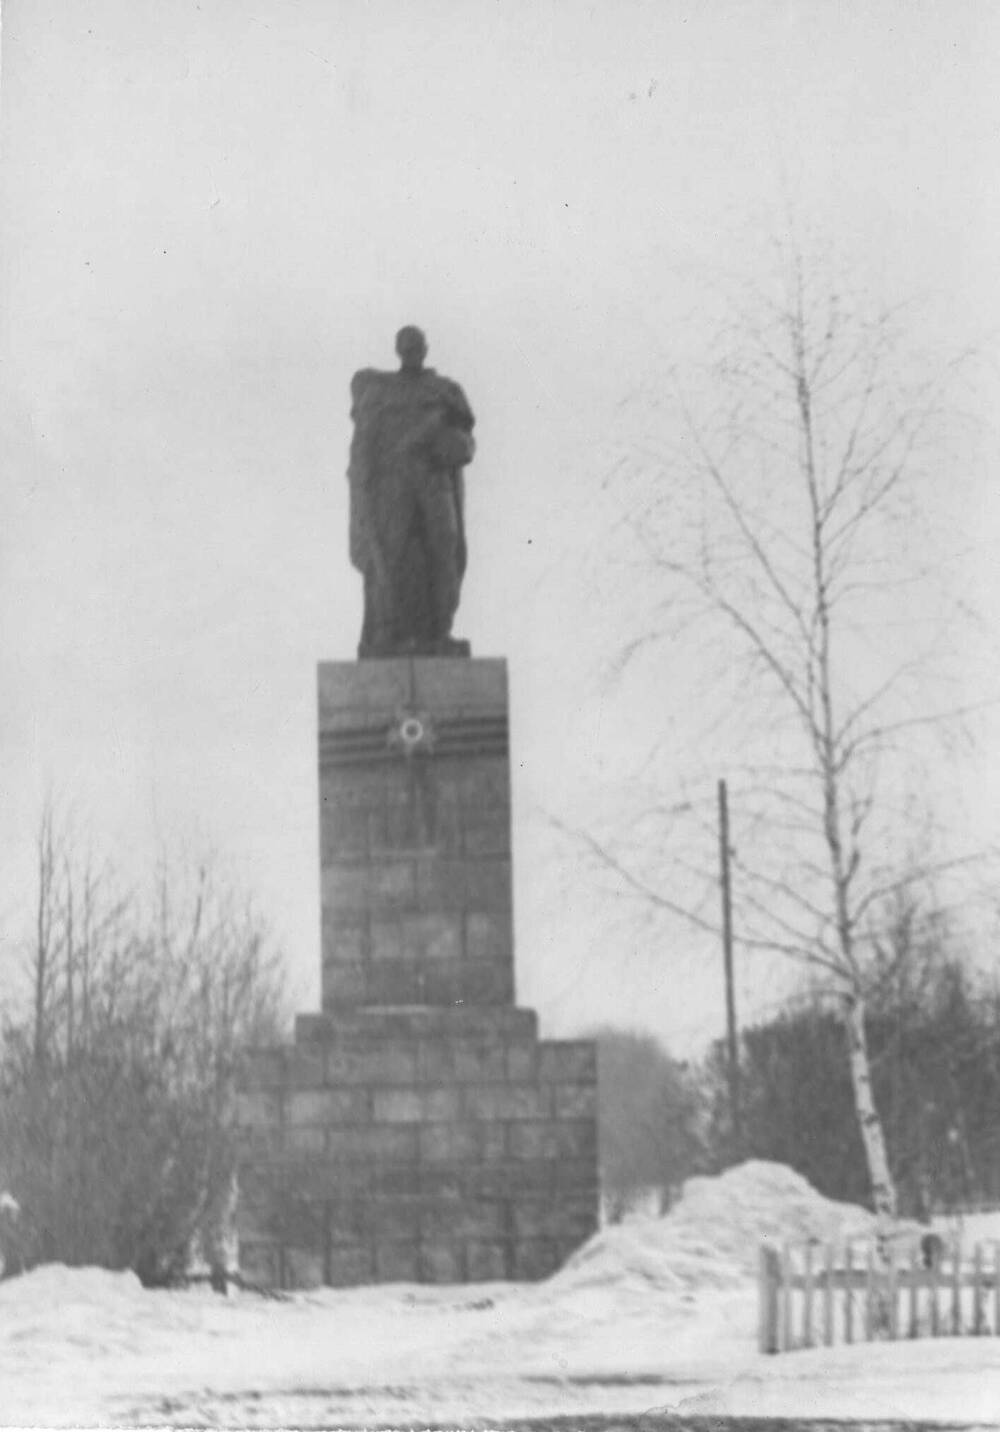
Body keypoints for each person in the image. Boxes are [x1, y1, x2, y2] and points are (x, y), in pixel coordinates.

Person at [347, 327, 476, 658]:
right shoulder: (382, 391)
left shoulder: (444, 390)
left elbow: (465, 441)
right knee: (392, 555)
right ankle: (388, 631)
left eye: (416, 346)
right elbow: (365, 444)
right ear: (398, 351)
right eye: (407, 347)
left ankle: (440, 629)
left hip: (434, 479)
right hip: (394, 484)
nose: (412, 352)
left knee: (444, 549)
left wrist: (450, 445)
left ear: (425, 349)